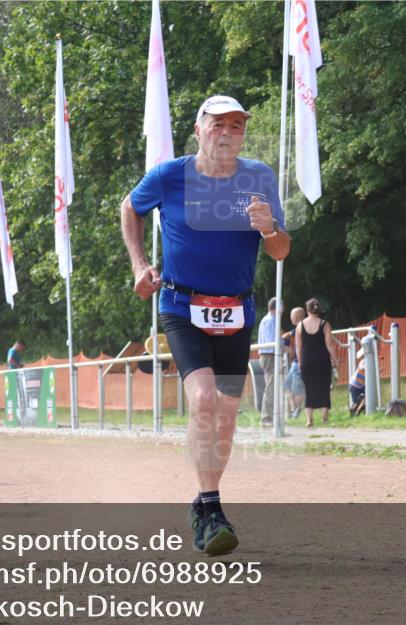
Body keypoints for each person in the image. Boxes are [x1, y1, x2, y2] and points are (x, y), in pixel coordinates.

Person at [121, 95, 290, 556]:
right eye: (218, 125)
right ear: (198, 130)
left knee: (228, 415)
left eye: (236, 126)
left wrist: (270, 229)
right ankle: (212, 508)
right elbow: (130, 208)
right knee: (203, 399)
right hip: (181, 305)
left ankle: (203, 499)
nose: (227, 133)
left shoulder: (259, 177)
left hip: (238, 311)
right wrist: (139, 265)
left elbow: (280, 251)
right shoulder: (169, 175)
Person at [295, 298, 339, 427]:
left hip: (307, 359)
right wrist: (335, 360)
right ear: (319, 309)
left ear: (307, 310)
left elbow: (298, 346)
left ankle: (309, 419)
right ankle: (325, 418)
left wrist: (299, 361)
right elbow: (330, 344)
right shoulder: (325, 324)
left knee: (308, 388)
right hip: (322, 359)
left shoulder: (300, 325)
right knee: (324, 387)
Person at [256, 297, 278, 426]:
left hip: (269, 354)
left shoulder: (271, 319)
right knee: (270, 386)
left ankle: (270, 415)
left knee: (272, 386)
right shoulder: (270, 321)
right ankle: (266, 417)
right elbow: (271, 341)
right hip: (269, 355)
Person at [282, 306, 307, 418]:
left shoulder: (300, 327)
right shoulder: (302, 326)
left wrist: (286, 345)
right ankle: (294, 409)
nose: (290, 318)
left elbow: (284, 337)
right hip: (296, 362)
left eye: (291, 316)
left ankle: (295, 412)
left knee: (298, 389)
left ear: (296, 317)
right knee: (286, 385)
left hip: (299, 362)